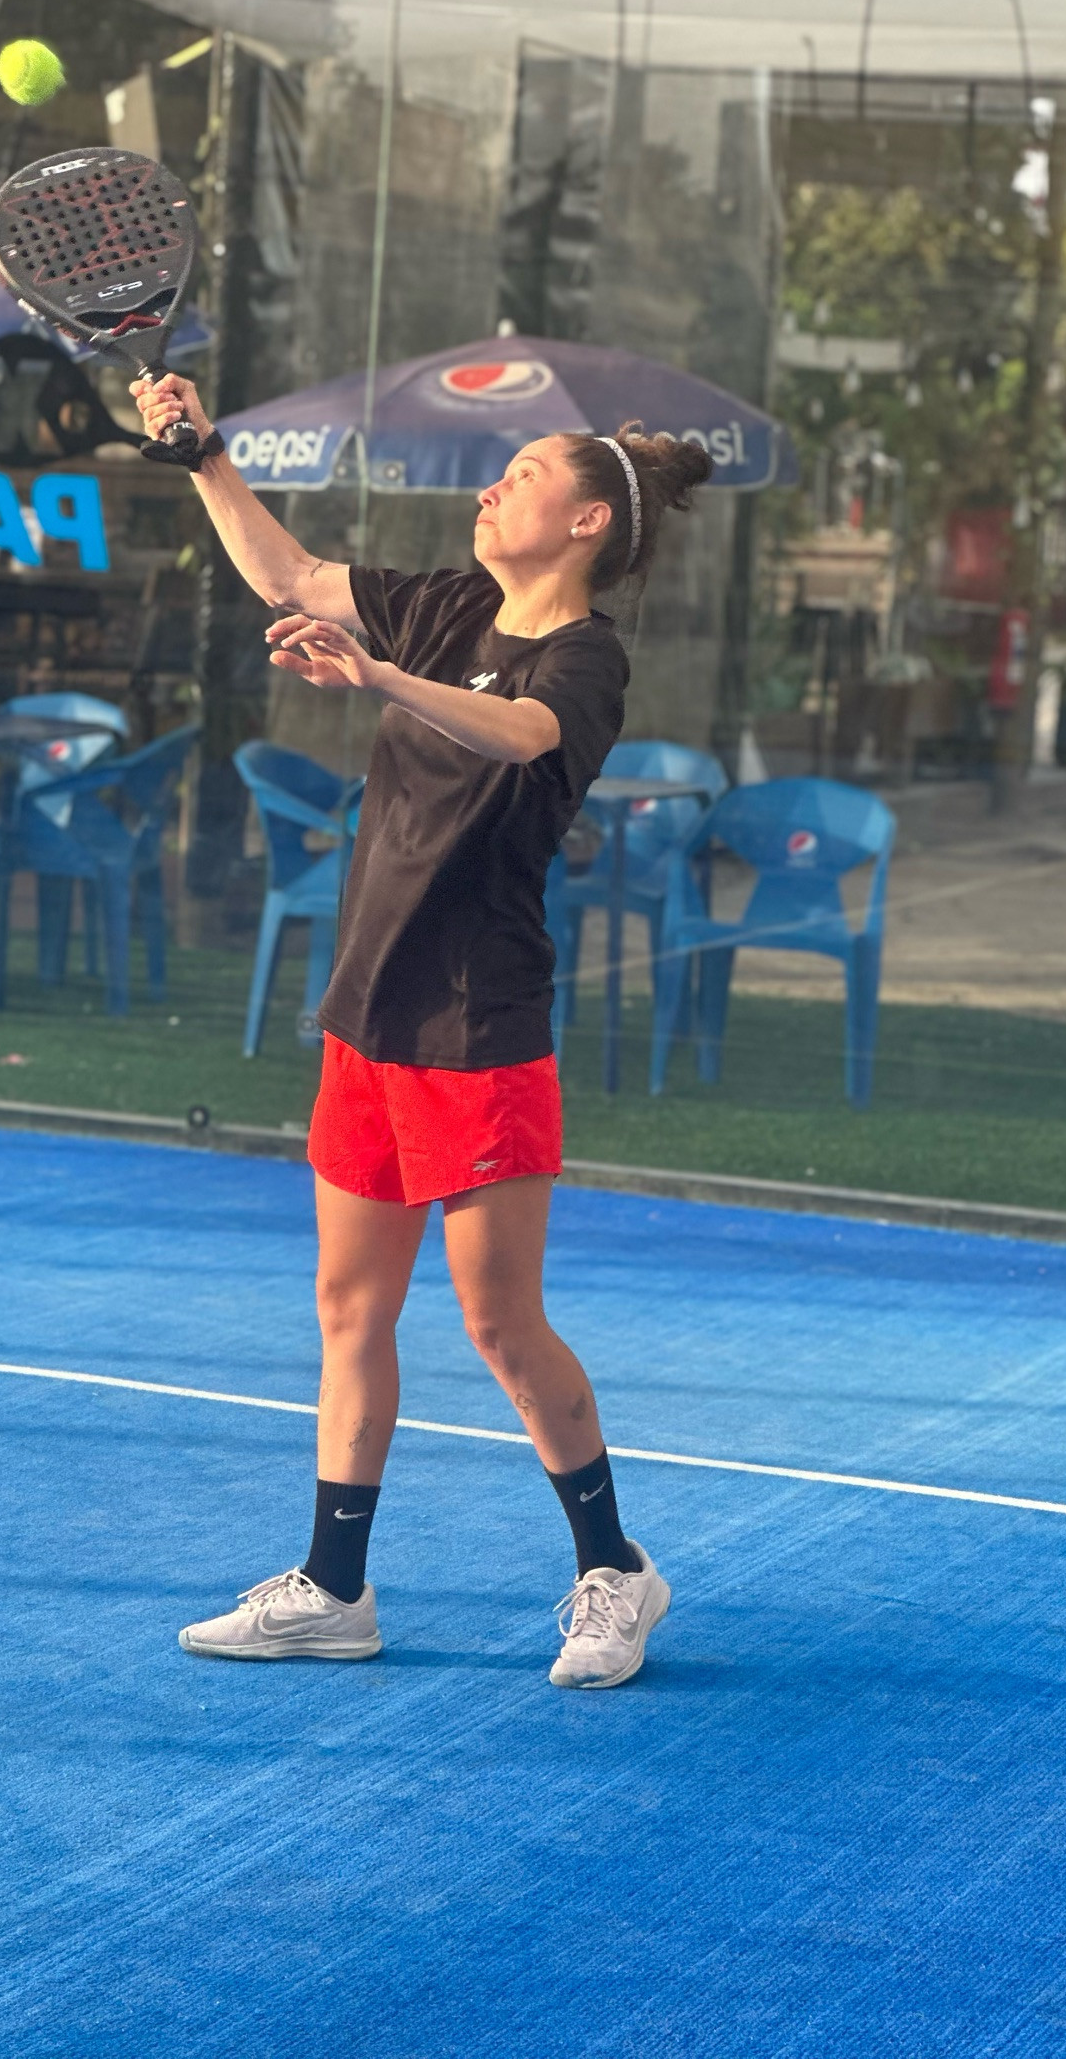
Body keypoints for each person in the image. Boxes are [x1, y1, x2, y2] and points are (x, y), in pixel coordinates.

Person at [132, 368, 711, 1690]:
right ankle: (335, 1589)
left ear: (586, 524)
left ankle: (616, 1571)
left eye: (526, 474)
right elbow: (288, 574)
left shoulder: (584, 657)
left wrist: (379, 675)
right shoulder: (447, 601)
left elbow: (520, 734)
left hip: (478, 1023)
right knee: (350, 1306)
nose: (494, 485)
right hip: (369, 1013)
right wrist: (205, 455)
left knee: (501, 1325)